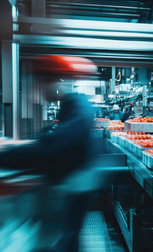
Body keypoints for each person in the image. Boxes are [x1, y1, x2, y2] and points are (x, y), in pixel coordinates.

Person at [0, 55, 98, 251]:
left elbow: (51, 148)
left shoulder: (79, 109)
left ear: (59, 80)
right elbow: (50, 141)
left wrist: (6, 156)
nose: (40, 87)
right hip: (67, 188)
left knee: (64, 241)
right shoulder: (70, 108)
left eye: (44, 80)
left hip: (71, 191)